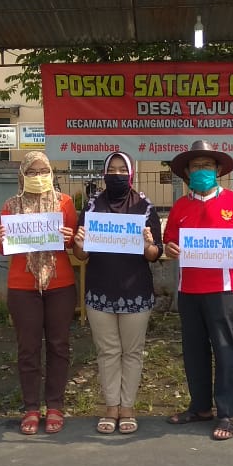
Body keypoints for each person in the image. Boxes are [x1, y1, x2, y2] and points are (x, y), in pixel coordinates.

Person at [162, 140, 233, 441]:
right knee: (194, 350)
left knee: (225, 350)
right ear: (187, 172)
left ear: (218, 170)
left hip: (223, 289)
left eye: (206, 165)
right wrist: (170, 248)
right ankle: (200, 407)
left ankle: (227, 413)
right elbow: (169, 243)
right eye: (195, 166)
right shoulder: (179, 207)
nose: (201, 170)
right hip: (189, 289)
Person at [72, 151, 163, 434]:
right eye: (112, 168)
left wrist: (149, 244)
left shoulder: (145, 207)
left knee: (132, 353)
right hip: (100, 291)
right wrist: (78, 242)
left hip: (135, 292)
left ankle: (128, 408)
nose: (117, 173)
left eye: (122, 169)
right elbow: (81, 254)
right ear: (103, 173)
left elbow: (154, 254)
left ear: (131, 173)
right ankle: (111, 407)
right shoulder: (91, 206)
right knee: (108, 352)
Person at [0, 151, 77, 435]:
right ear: (22, 175)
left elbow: (77, 245)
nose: (38, 177)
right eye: (32, 172)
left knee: (58, 346)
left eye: (43, 171)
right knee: (28, 348)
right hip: (22, 286)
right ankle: (31, 407)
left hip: (60, 284)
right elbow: (4, 248)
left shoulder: (64, 203)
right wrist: (0, 240)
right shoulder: (10, 206)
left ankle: (54, 405)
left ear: (52, 174)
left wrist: (71, 238)